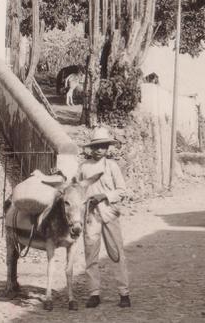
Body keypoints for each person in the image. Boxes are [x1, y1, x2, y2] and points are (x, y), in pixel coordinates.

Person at [77, 127, 131, 309]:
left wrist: (105, 196)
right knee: (91, 254)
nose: (99, 150)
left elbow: (122, 191)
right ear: (91, 148)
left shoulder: (112, 166)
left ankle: (124, 292)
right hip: (90, 216)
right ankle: (94, 293)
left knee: (116, 253)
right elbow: (76, 189)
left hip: (109, 213)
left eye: (103, 146)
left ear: (108, 148)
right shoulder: (84, 167)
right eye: (96, 146)